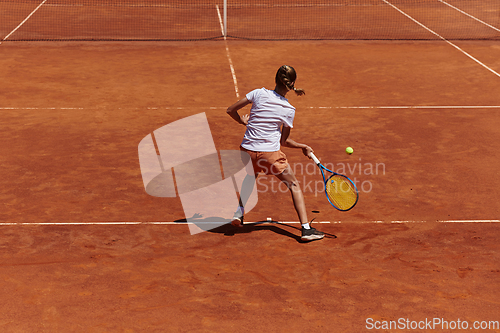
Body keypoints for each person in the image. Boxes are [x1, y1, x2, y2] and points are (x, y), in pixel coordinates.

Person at [226, 65, 324, 241]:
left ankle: (238, 214)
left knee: (251, 175)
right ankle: (306, 229)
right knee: (293, 185)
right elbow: (283, 142)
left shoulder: (258, 93)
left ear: (276, 79)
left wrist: (242, 120)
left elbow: (230, 110)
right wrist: (303, 146)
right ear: (292, 83)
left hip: (247, 150)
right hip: (269, 155)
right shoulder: (288, 109)